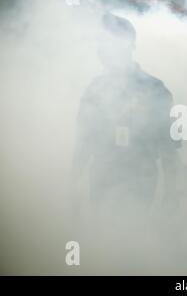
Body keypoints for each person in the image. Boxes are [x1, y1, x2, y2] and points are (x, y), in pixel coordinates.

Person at [72, 14, 180, 209]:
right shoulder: (94, 90)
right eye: (100, 42)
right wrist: (72, 188)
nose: (101, 49)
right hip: (101, 181)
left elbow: (168, 148)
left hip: (140, 182)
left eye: (107, 41)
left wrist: (171, 194)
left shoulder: (155, 90)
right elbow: (83, 143)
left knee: (132, 235)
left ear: (127, 44)